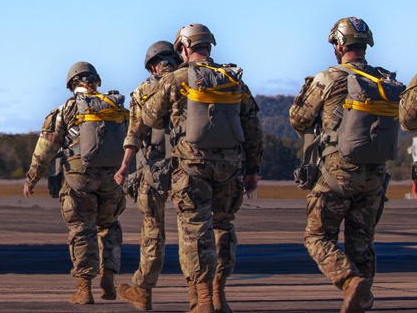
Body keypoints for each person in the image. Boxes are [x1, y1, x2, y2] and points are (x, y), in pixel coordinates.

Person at [141, 24, 262, 313]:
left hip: (191, 168)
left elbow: (149, 117)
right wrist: (252, 170)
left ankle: (203, 300)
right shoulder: (233, 79)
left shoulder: (177, 78)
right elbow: (253, 129)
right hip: (231, 169)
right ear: (209, 46)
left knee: (195, 231)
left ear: (183, 48)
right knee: (223, 228)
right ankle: (220, 294)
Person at [289, 17, 405, 313]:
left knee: (316, 236)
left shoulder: (328, 79)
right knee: (362, 242)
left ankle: (349, 282)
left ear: (338, 45)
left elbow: (298, 119)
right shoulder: (385, 81)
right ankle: (362, 299)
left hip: (336, 175)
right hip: (375, 177)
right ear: (366, 45)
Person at [23, 62, 127, 306]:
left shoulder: (65, 110)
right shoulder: (114, 105)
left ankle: (84, 289)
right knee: (109, 226)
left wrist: (31, 180)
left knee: (82, 230)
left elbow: (44, 150)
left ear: (71, 84)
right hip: (111, 179)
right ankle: (109, 276)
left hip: (78, 178)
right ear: (96, 80)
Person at [114, 41, 180, 311]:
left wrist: (124, 167)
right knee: (196, 230)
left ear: (152, 66)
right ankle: (205, 295)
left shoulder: (143, 90)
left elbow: (134, 134)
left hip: (153, 170)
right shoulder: (192, 82)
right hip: (192, 167)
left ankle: (142, 290)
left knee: (152, 231)